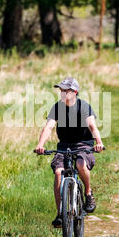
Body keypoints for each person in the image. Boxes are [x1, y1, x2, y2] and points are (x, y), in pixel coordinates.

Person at [35, 77, 104, 228]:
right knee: (59, 172)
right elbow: (49, 127)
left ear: (75, 92)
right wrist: (40, 144)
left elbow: (92, 126)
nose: (62, 93)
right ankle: (60, 213)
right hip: (64, 146)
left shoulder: (83, 106)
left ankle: (88, 193)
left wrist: (98, 142)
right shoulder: (57, 107)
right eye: (61, 90)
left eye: (66, 90)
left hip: (83, 145)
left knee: (80, 163)